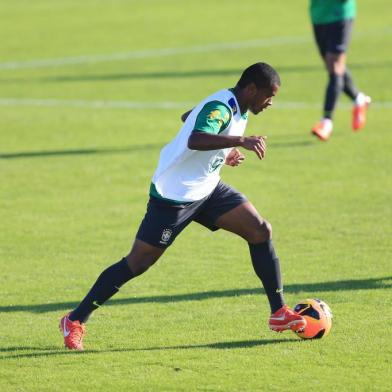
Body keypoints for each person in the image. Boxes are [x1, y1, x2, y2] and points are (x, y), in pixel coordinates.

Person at [59, 62, 306, 350]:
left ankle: (278, 313)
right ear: (251, 89)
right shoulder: (221, 107)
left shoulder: (235, 106)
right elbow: (195, 136)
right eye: (268, 96)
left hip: (208, 188)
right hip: (174, 197)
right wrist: (239, 140)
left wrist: (224, 151)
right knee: (138, 262)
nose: (270, 103)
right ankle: (75, 320)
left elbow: (188, 117)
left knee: (260, 230)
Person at [309, 0, 371, 141]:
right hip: (318, 15)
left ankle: (326, 122)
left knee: (335, 66)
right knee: (332, 66)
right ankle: (359, 99)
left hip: (339, 14)